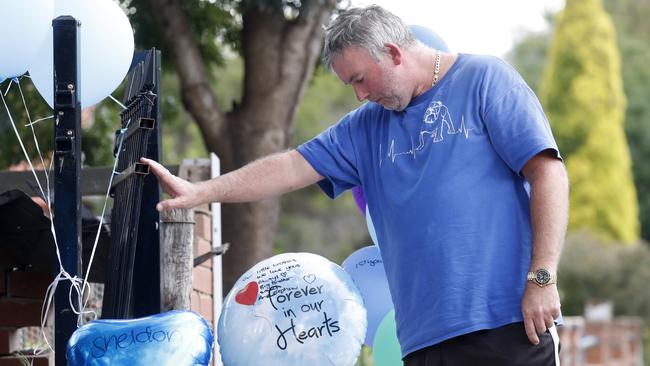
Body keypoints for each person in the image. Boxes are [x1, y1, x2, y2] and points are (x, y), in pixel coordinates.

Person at [142, 5, 568, 365]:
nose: (359, 96)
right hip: (425, 339)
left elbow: (548, 171)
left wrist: (543, 278)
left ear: (395, 52)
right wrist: (203, 192)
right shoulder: (364, 127)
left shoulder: (485, 79)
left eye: (361, 79)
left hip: (509, 320)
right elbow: (290, 167)